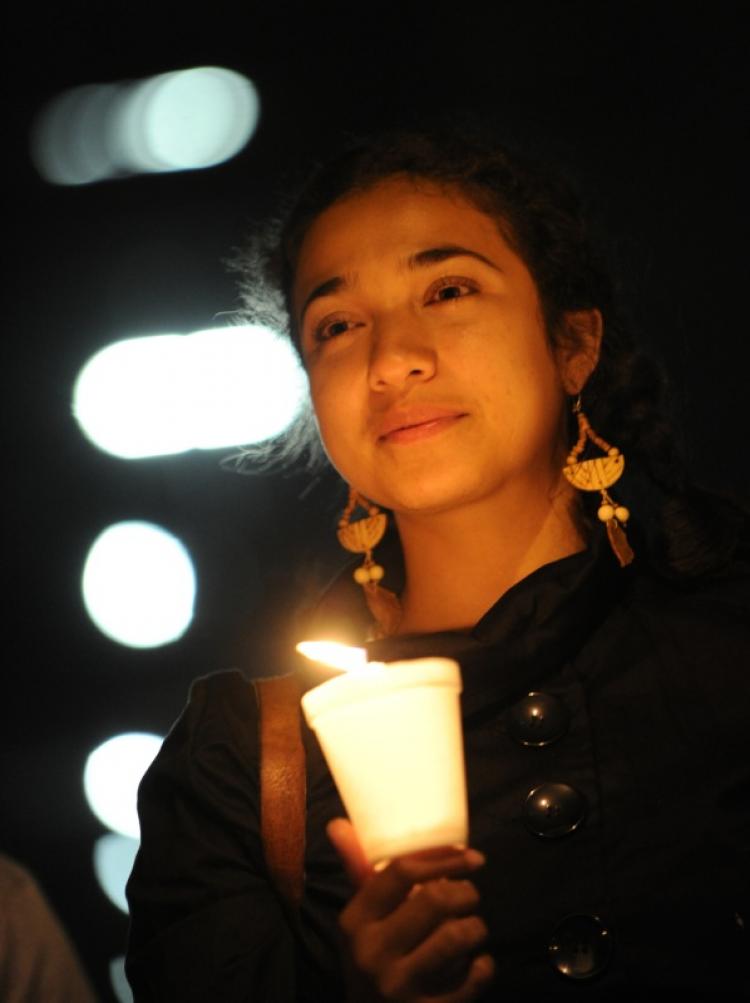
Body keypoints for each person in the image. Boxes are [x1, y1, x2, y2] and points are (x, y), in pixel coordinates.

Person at [125, 128, 750, 1001]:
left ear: (572, 344)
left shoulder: (728, 634)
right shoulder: (243, 763)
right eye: (338, 325)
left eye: (449, 289)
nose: (391, 362)